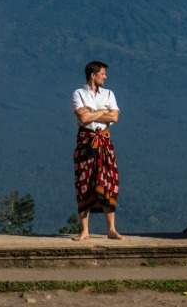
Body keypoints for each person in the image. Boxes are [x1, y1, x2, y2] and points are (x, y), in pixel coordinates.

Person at [71, 59, 120, 240]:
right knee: (85, 182)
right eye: (102, 74)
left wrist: (94, 112)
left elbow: (115, 116)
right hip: (87, 140)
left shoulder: (109, 93)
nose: (105, 77)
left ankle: (111, 229)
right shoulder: (78, 93)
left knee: (109, 181)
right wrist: (102, 113)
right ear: (93, 75)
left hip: (104, 140)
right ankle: (85, 230)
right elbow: (83, 119)